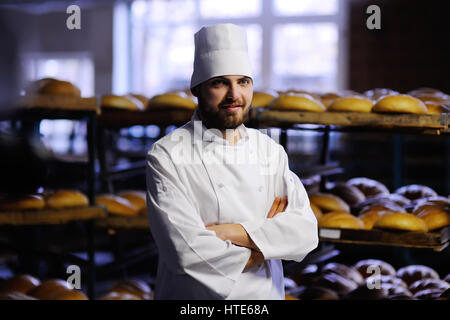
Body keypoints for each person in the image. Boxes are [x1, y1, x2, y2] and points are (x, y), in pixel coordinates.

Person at [146, 23, 318, 300]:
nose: (234, 95)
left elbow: (305, 232)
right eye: (219, 82)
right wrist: (267, 243)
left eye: (243, 82)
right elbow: (184, 251)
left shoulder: (270, 151)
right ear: (197, 89)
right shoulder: (167, 155)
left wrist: (228, 232)